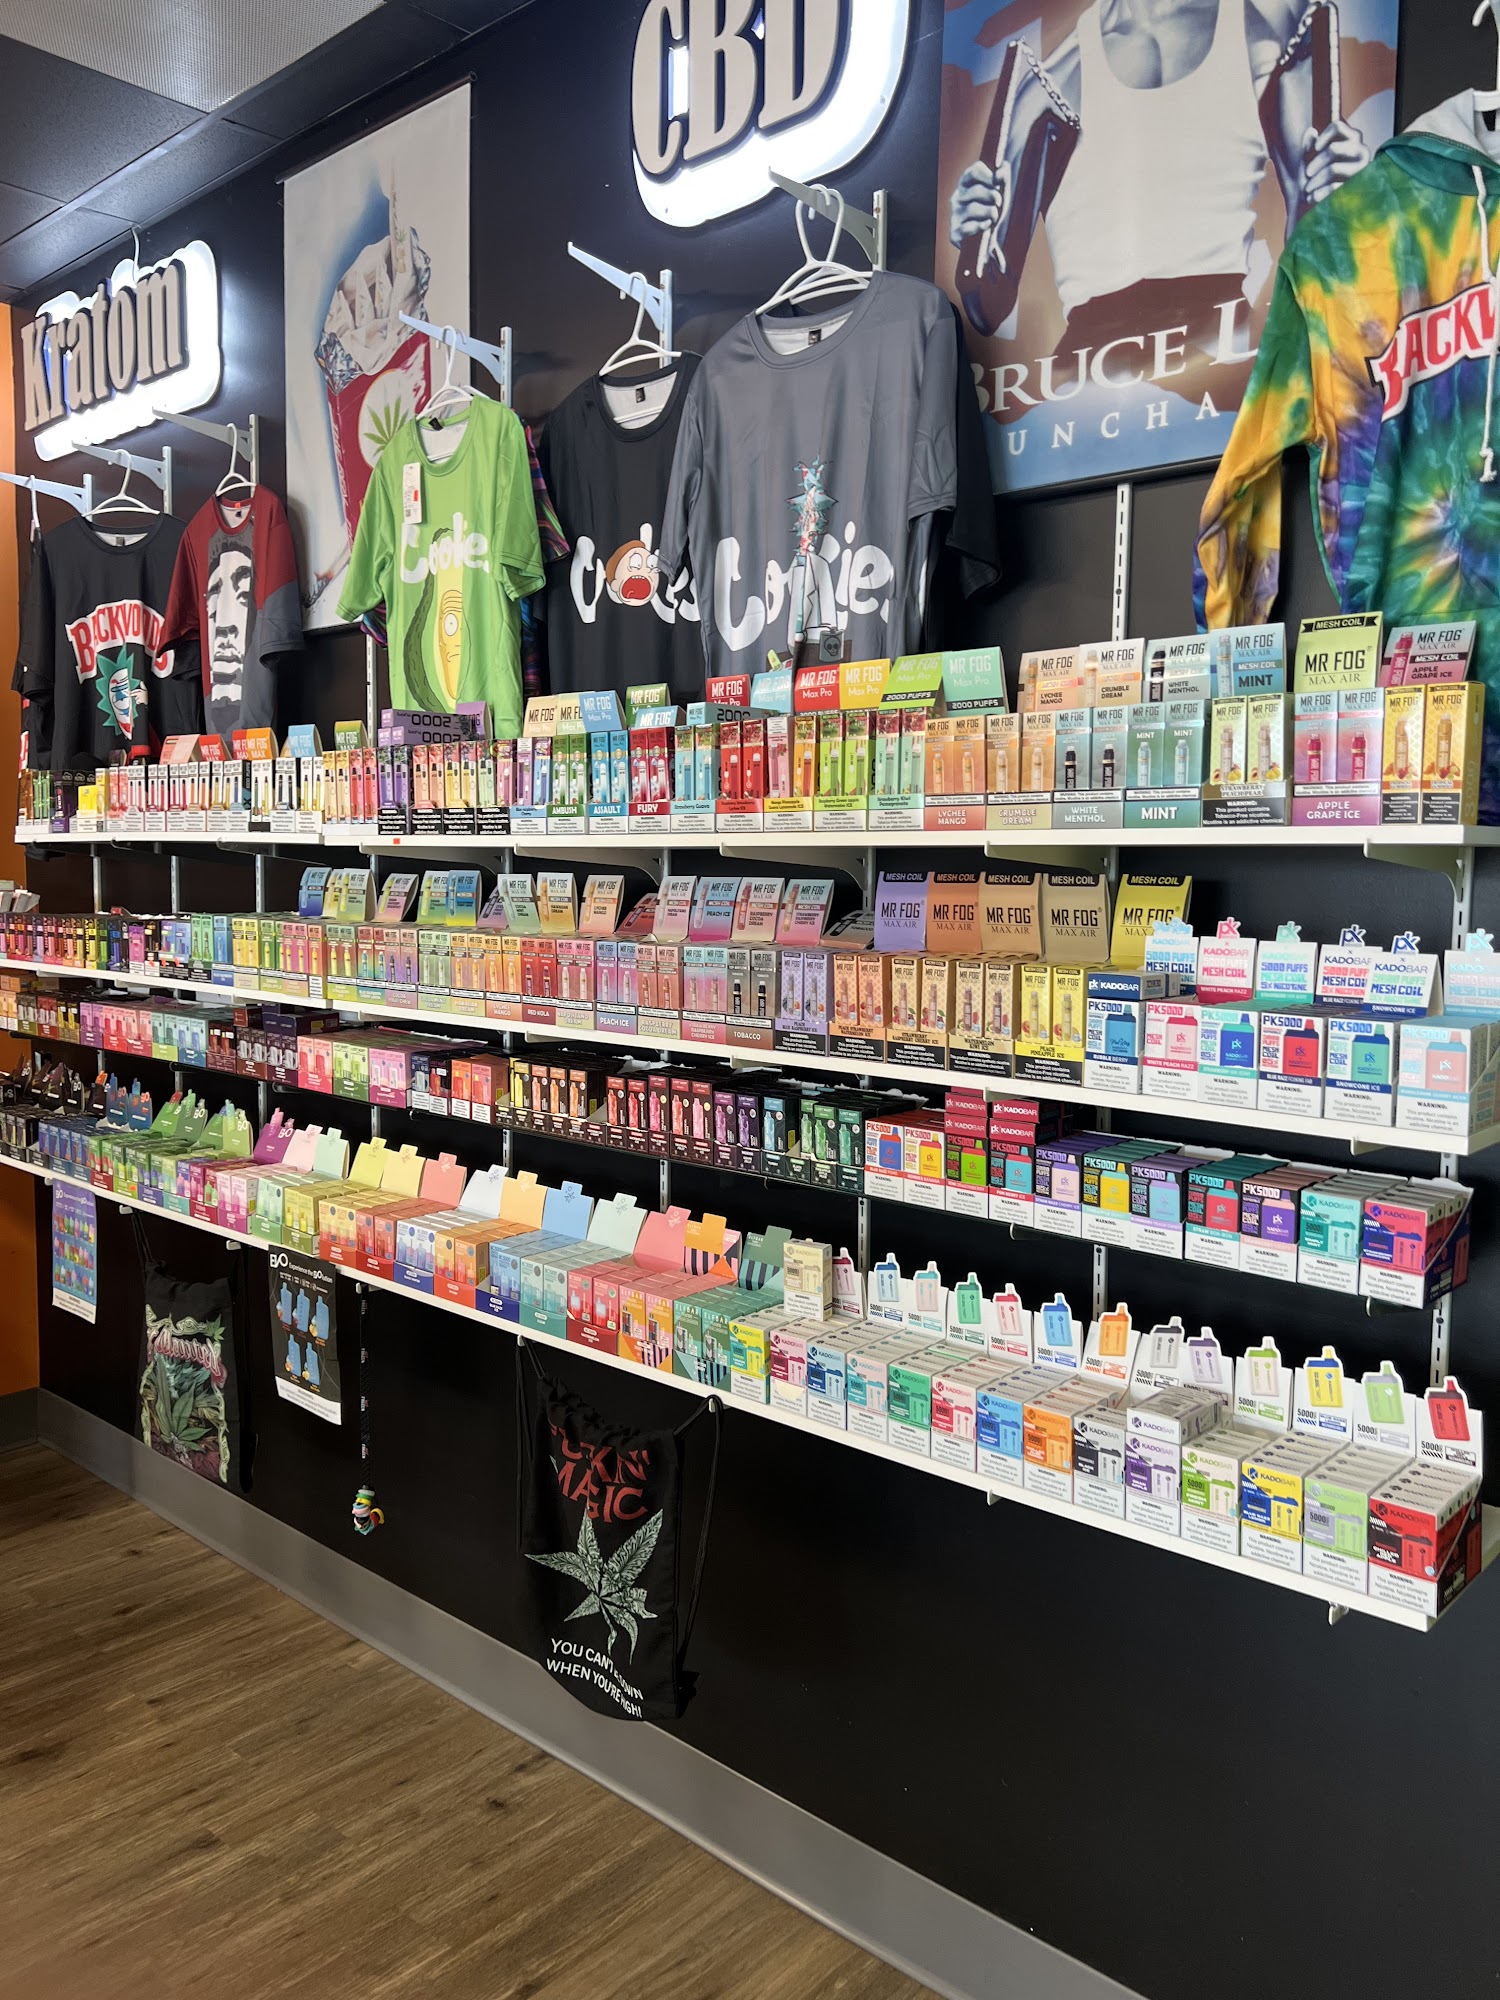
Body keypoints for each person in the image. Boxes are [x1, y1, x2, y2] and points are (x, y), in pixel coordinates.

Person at [948, 0, 1368, 364]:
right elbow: (986, 305)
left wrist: (1346, 201)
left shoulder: (1268, 26)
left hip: (1222, 365)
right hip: (1087, 384)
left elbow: (1313, 249)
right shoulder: (1049, 84)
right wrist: (972, 226)